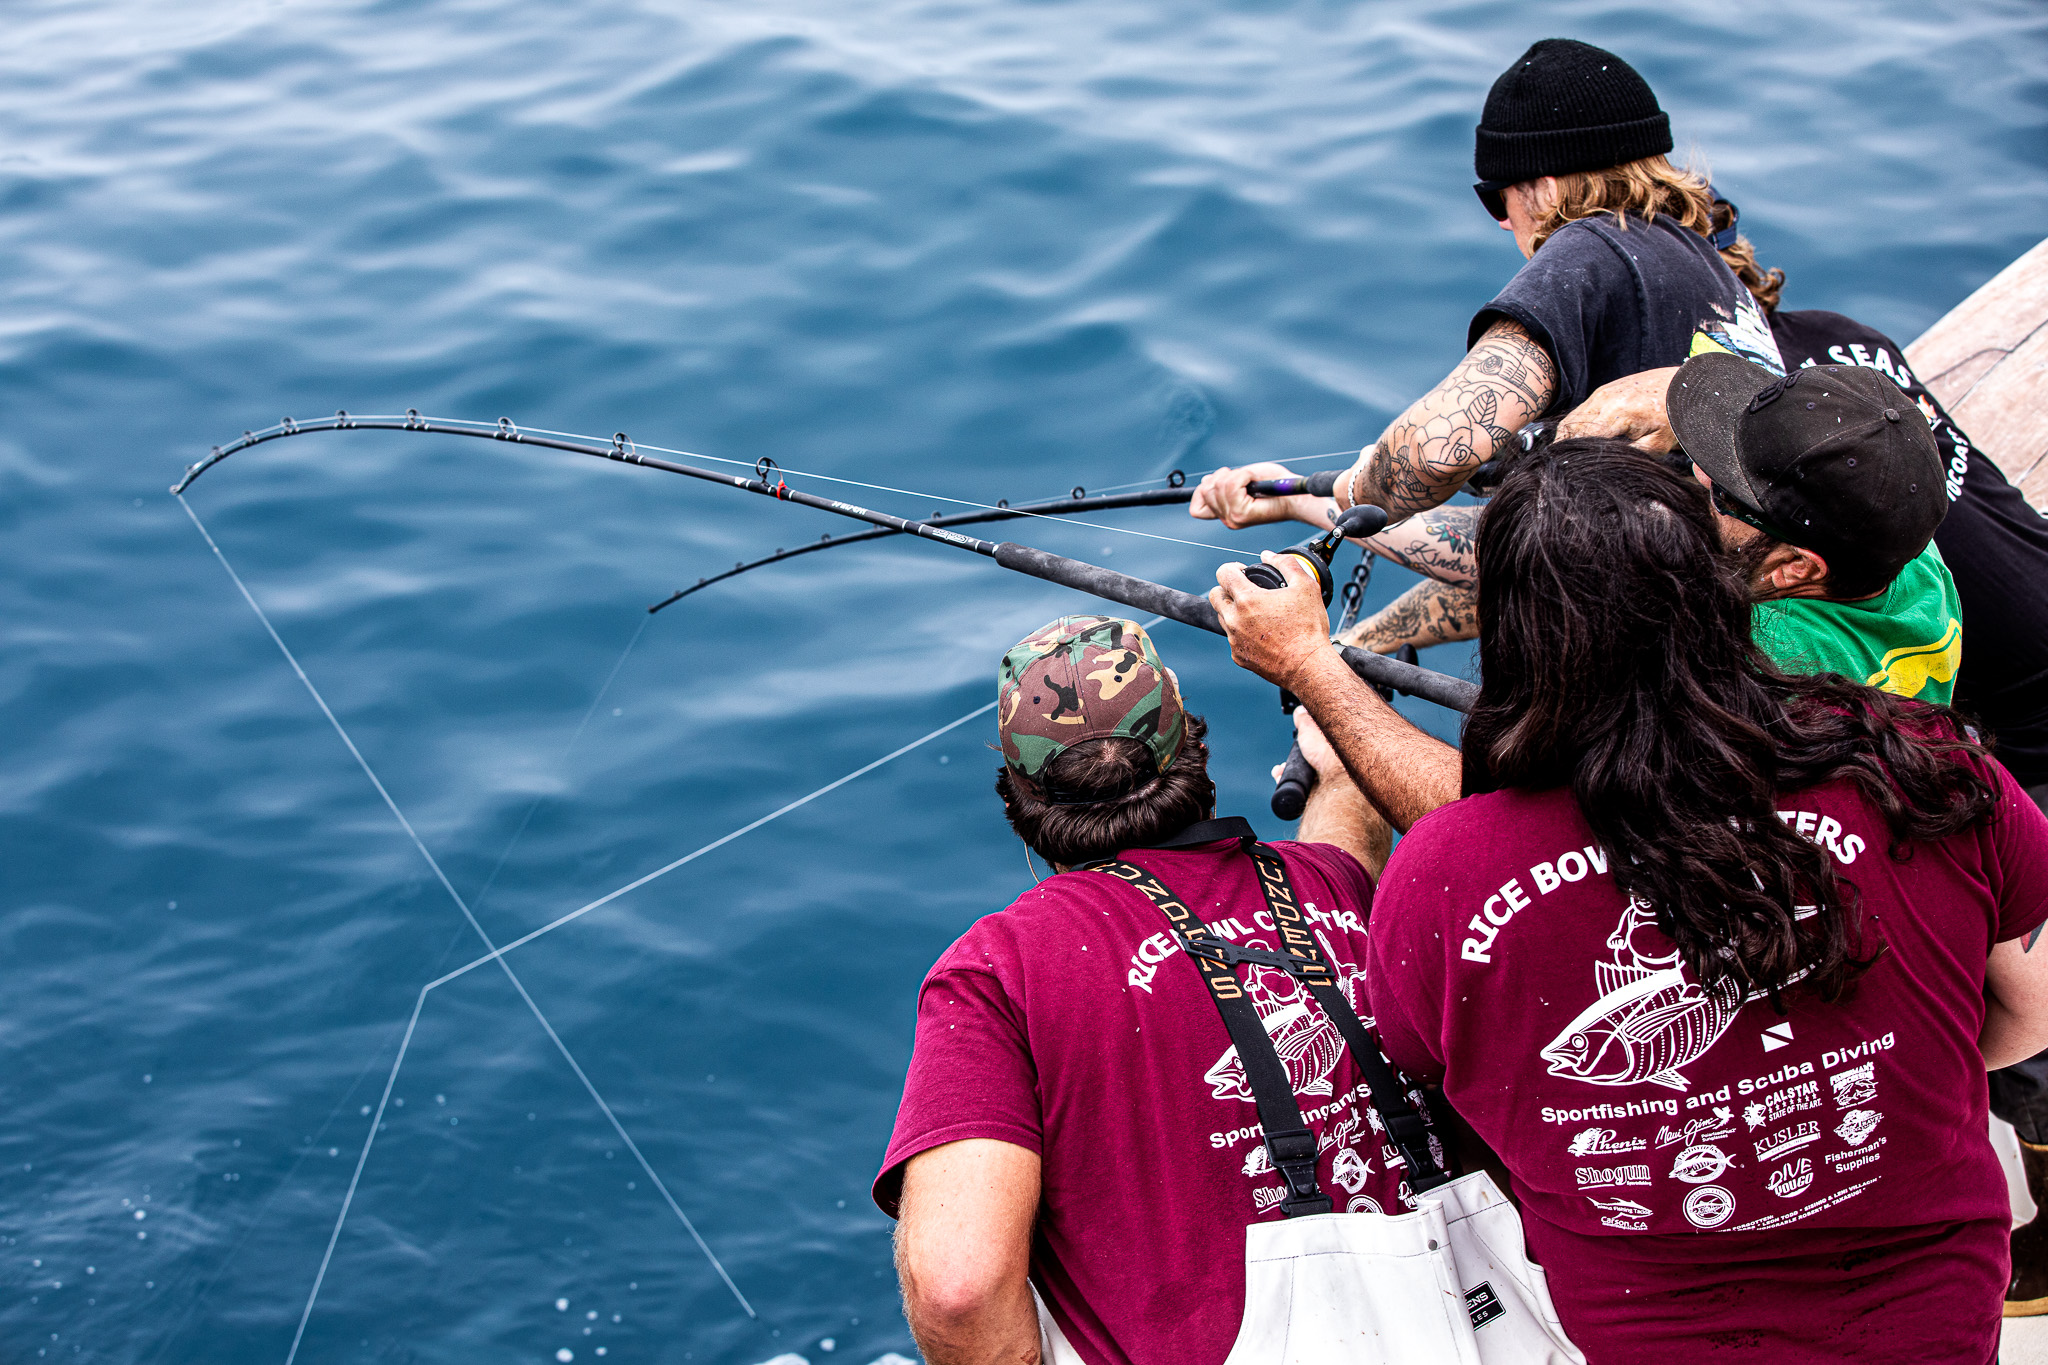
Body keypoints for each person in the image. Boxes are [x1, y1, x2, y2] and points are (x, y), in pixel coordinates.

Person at [1227, 439, 2048, 1362]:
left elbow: (1428, 1068)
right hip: (1937, 1312)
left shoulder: (1442, 871)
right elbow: (2031, 1008)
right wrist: (1878, 1063)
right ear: (1723, 588)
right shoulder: (1921, 761)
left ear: (1514, 633)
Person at [875, 615, 1434, 1365]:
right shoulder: (1332, 889)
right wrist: (1340, 723)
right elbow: (1350, 833)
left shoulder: (994, 973)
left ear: (1018, 795)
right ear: (1192, 742)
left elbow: (959, 1286)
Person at [1190, 36, 1781, 538]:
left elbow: (1433, 453)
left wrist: (1356, 486)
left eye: (1497, 195)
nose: (1503, 220)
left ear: (1545, 187)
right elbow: (1488, 562)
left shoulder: (1594, 249)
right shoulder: (1714, 276)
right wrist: (1298, 503)